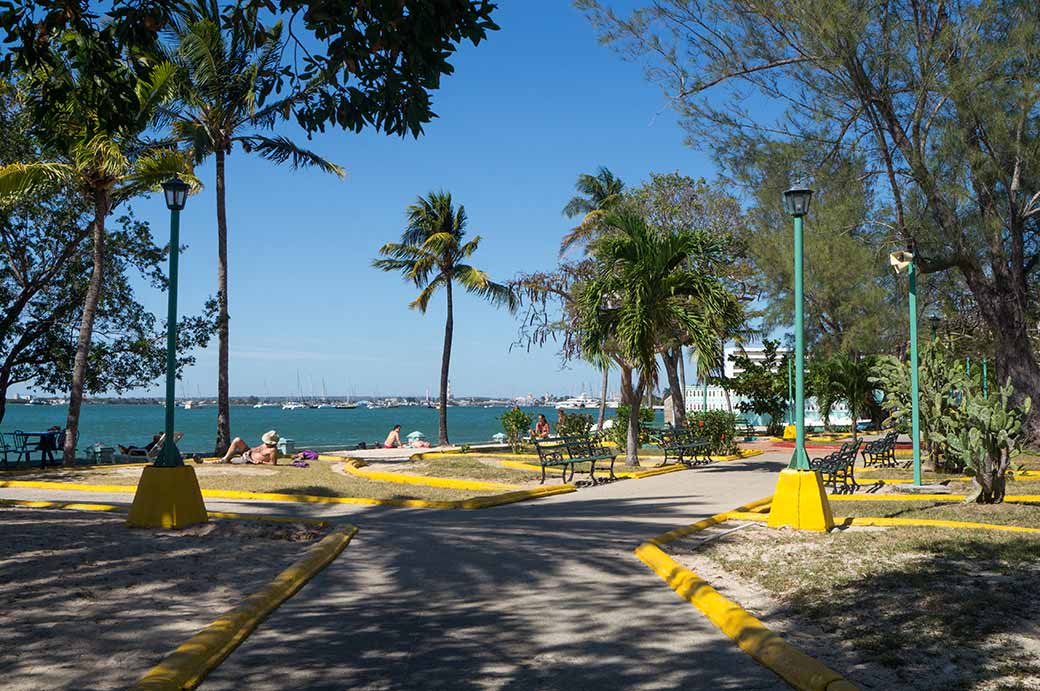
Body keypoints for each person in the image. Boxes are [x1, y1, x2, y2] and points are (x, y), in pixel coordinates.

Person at [211, 430, 281, 465]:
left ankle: (222, 460)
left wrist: (261, 462)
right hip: (249, 452)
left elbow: (273, 463)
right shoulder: (265, 444)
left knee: (231, 460)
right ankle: (225, 458)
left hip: (250, 459)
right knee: (237, 440)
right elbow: (258, 449)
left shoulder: (272, 450)